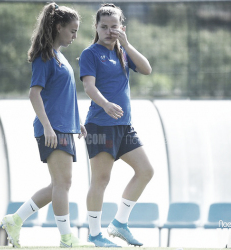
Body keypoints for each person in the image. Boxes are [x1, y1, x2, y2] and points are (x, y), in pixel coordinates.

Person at [1, 3, 93, 248]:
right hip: (52, 130)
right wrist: (48, 127)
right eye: (72, 30)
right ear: (58, 27)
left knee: (57, 185)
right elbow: (34, 94)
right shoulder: (45, 56)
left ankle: (15, 219)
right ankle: (66, 239)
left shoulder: (60, 56)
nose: (75, 36)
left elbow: (63, 95)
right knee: (63, 184)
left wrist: (78, 122)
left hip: (64, 127)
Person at [79, 3, 154, 247]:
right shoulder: (91, 53)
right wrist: (106, 105)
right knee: (100, 180)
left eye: (114, 26)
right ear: (97, 28)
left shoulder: (123, 52)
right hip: (100, 125)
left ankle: (119, 224)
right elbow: (89, 86)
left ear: (122, 27)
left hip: (124, 126)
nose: (109, 31)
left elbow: (146, 69)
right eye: (104, 27)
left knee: (145, 171)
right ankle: (93, 234)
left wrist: (128, 44)